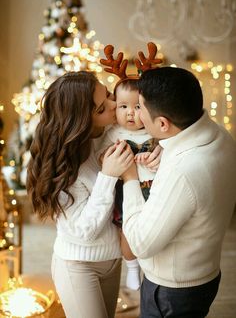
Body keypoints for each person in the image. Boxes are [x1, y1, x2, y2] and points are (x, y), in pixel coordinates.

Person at [111, 66, 236, 318]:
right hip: (205, 271)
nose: (137, 115)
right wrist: (163, 151)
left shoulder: (182, 171)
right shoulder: (221, 137)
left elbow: (140, 243)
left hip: (171, 291)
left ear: (163, 124)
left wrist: (129, 178)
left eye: (141, 107)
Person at [26, 71, 134, 318]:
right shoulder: (63, 165)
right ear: (81, 120)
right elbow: (84, 231)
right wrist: (107, 176)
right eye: (101, 108)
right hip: (78, 266)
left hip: (113, 260)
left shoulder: (111, 131)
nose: (114, 104)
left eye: (107, 94)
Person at [97, 77, 161, 290]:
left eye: (137, 107)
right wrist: (112, 154)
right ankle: (132, 267)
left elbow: (166, 156)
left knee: (154, 229)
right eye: (123, 106)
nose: (130, 113)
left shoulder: (154, 133)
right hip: (126, 191)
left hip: (153, 188)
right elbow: (101, 158)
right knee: (128, 230)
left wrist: (153, 158)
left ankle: (151, 267)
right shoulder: (112, 133)